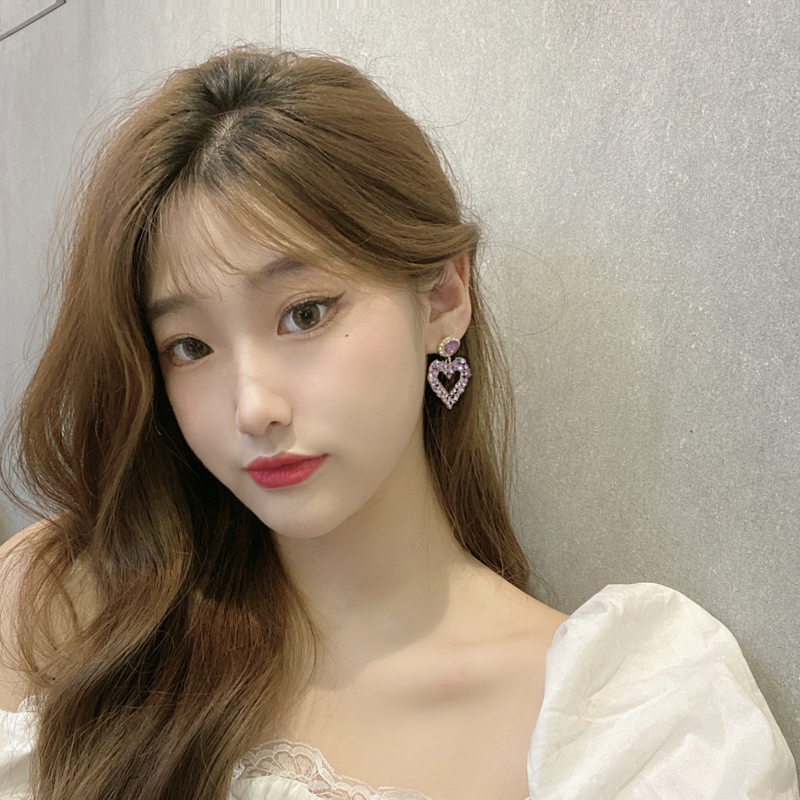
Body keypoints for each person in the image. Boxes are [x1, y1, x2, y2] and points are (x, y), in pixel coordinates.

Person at [0, 46, 796, 800]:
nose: (253, 407)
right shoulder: (72, 608)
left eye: (305, 313)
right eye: (190, 346)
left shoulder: (631, 719)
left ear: (444, 298)